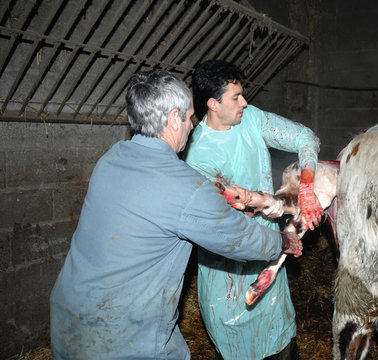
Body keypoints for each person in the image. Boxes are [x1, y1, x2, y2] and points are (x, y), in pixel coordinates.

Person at [49, 69, 300, 359]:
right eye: (189, 117)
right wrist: (284, 241)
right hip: (123, 338)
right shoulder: (184, 186)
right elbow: (241, 239)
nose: (193, 126)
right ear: (172, 119)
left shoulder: (111, 158)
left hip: (69, 321)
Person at [183, 59, 322, 360]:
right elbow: (230, 216)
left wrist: (307, 187)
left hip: (270, 258)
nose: (245, 101)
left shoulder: (251, 119)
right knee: (237, 346)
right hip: (227, 265)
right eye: (236, 97)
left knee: (282, 339)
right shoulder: (198, 155)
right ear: (213, 104)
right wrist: (265, 207)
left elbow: (305, 136)